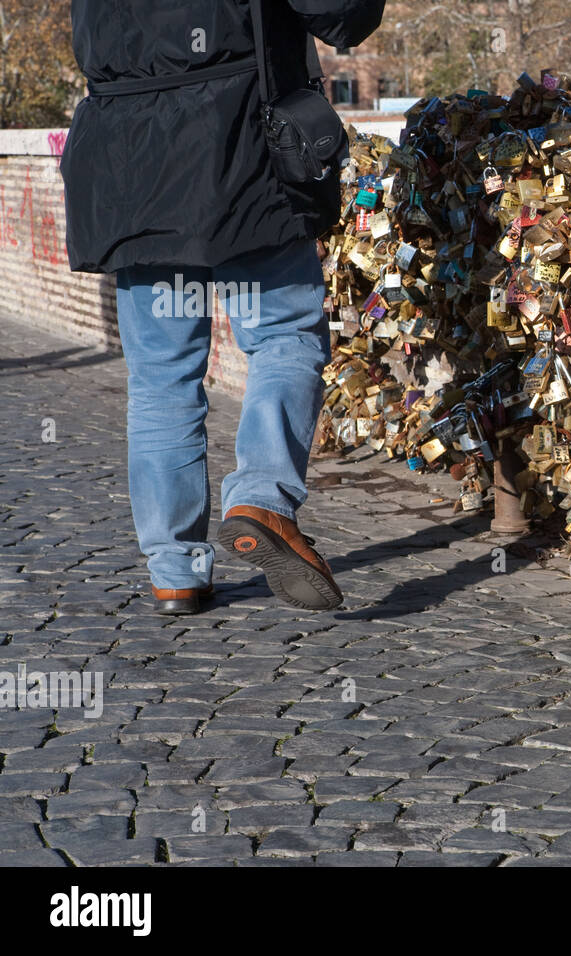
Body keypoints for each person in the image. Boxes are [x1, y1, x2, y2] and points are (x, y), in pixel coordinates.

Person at [61, 0, 386, 614]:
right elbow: (343, 16)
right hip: (245, 155)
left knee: (161, 376)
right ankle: (261, 496)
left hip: (127, 163)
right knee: (285, 336)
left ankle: (174, 572)